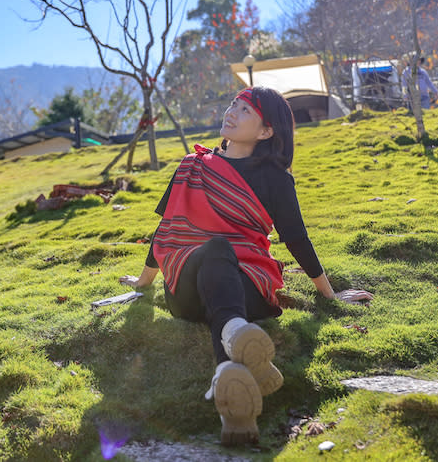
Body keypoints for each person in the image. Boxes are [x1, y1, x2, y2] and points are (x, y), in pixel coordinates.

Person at [119, 87, 373, 446]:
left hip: (248, 287)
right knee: (216, 251)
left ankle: (232, 402)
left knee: (222, 271)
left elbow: (297, 238)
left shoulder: (275, 178)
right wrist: (142, 284)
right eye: (233, 105)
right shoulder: (193, 167)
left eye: (244, 111)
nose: (232, 113)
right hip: (187, 289)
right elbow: (167, 231)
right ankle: (238, 335)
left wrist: (330, 294)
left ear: (266, 131)